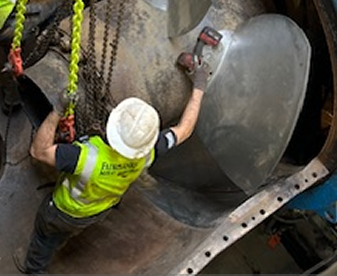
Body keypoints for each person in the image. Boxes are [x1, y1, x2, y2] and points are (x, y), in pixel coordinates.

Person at [16, 60, 212, 274]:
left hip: (63, 210)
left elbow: (38, 151)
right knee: (65, 233)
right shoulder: (150, 152)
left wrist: (57, 110)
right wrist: (199, 86)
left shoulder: (84, 157)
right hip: (97, 212)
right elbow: (185, 129)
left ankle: (34, 269)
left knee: (44, 236)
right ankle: (58, 242)